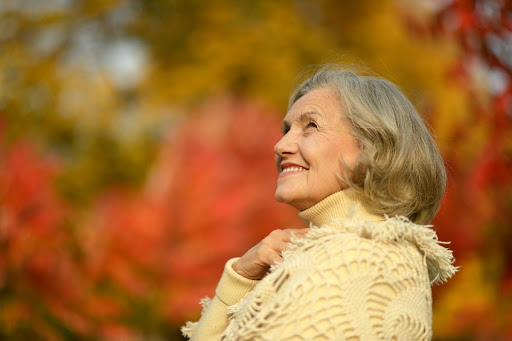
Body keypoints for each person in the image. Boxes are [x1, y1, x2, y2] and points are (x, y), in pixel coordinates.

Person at [182, 66, 457, 340]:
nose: (280, 146)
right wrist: (239, 277)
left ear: (372, 146)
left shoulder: (366, 258)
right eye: (286, 130)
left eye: (310, 126)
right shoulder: (333, 253)